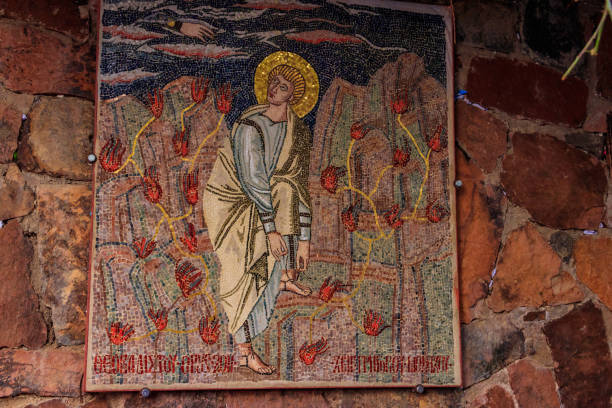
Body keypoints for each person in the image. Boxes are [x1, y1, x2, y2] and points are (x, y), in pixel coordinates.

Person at [203, 52, 319, 374]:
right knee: (239, 276)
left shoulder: (298, 132)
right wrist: (270, 231)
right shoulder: (249, 127)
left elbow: (298, 185)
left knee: (285, 188)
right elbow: (253, 182)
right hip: (233, 202)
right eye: (272, 83)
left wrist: (304, 241)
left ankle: (282, 275)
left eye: (282, 86)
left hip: (268, 205)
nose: (274, 89)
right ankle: (244, 350)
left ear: (293, 95)